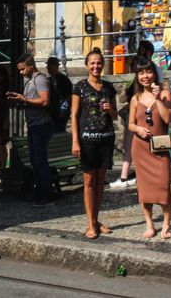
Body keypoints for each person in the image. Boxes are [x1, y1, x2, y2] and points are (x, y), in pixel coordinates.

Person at [71, 47, 118, 239]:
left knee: (100, 182)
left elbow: (115, 116)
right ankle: (90, 224)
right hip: (87, 140)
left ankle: (96, 219)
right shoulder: (79, 87)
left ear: (103, 64)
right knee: (89, 181)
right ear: (87, 66)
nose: (96, 66)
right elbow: (73, 116)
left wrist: (110, 110)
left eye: (99, 62)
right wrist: (75, 140)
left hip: (106, 138)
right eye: (92, 63)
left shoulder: (108, 88)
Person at [128, 56, 171, 239]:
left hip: (160, 147)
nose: (145, 76)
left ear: (155, 73)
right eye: (141, 73)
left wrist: (158, 99)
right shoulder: (135, 98)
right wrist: (138, 129)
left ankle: (166, 224)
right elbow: (130, 124)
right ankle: (149, 224)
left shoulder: (164, 94)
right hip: (140, 148)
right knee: (144, 189)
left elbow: (167, 119)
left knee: (164, 186)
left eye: (148, 72)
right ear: (137, 76)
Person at [7, 54, 56, 207]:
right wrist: (20, 99)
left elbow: (45, 100)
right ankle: (39, 193)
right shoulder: (29, 81)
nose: (21, 72)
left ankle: (46, 195)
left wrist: (24, 100)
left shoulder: (40, 79)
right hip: (34, 125)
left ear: (30, 65)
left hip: (41, 126)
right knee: (36, 161)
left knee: (40, 161)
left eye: (22, 69)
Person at [107, 83, 136, 190]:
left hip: (132, 122)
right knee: (131, 149)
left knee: (129, 149)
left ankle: (124, 178)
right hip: (133, 121)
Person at [46, 56, 73, 133]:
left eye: (50, 66)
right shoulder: (49, 80)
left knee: (59, 132)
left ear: (56, 66)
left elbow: (68, 97)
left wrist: (63, 111)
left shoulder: (64, 80)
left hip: (60, 113)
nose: (48, 68)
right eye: (47, 66)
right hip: (51, 112)